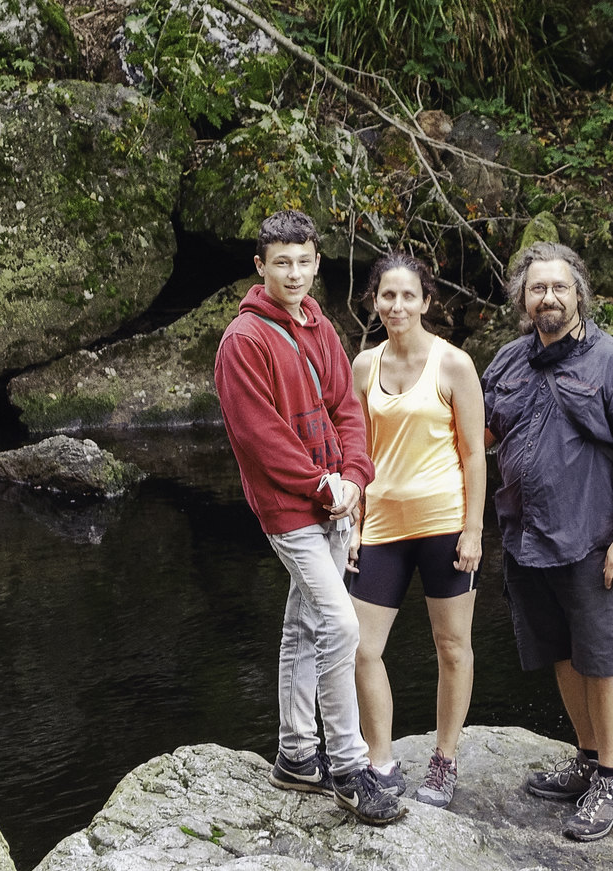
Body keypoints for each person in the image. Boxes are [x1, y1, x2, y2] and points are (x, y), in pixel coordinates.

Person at [214, 210, 404, 825]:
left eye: (304, 261)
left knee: (302, 627)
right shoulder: (244, 341)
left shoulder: (320, 325)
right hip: (289, 510)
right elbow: (259, 437)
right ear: (260, 267)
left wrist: (354, 478)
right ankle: (349, 767)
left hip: (335, 498)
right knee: (341, 625)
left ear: (317, 263)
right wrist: (324, 488)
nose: (294, 273)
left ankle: (297, 756)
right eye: (281, 263)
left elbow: (348, 408)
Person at [481, 241, 613, 842]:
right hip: (527, 540)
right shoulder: (507, 362)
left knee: (604, 658)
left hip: (592, 541)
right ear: (523, 299)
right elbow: (476, 436)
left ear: (579, 293)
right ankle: (585, 760)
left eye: (559, 287)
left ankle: (610, 782)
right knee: (562, 653)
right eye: (537, 288)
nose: (548, 297)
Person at [344, 251, 486, 809]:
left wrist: (473, 530)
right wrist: (353, 527)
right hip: (380, 525)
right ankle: (381, 762)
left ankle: (445, 760)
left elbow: (474, 454)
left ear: (427, 302)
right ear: (374, 302)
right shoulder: (364, 366)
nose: (396, 305)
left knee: (451, 646)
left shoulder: (454, 365)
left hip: (444, 525)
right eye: (387, 295)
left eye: (408, 296)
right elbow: (356, 453)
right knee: (361, 649)